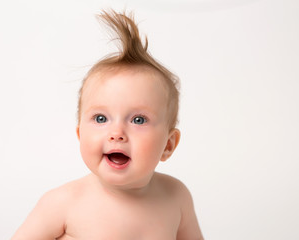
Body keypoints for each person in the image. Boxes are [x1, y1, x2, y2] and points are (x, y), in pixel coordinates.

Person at [12, 9, 204, 240]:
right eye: (101, 119)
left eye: (138, 120)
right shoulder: (63, 203)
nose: (117, 133)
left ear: (168, 145)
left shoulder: (176, 196)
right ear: (80, 135)